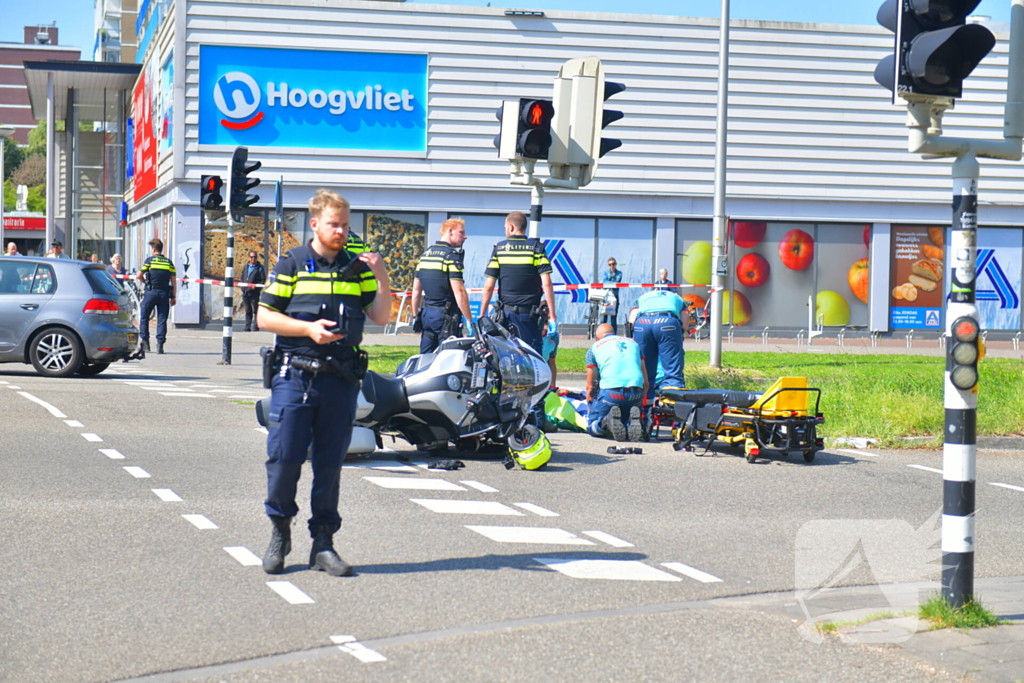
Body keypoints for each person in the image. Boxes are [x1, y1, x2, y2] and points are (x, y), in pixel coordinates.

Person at [257, 189, 391, 578]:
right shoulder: (292, 264)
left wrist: (381, 275)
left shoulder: (358, 266)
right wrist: (308, 329)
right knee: (284, 461)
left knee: (330, 466)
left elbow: (381, 317)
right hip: (295, 377)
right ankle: (280, 533)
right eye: (335, 224)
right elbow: (266, 317)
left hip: (341, 380)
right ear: (314, 224)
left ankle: (324, 544)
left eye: (346, 225)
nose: (342, 232)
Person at [479, 211, 557, 356]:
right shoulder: (536, 248)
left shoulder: (499, 249)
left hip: (504, 316)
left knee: (506, 360)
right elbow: (547, 284)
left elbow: (489, 286)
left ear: (511, 227)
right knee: (532, 359)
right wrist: (552, 316)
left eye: (505, 228)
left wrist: (482, 315)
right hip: (529, 316)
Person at [410, 218, 472, 353]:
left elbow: (416, 291)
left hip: (427, 314)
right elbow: (459, 291)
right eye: (461, 232)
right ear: (450, 231)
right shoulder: (451, 256)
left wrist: (416, 316)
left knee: (425, 358)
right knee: (448, 358)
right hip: (446, 316)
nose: (465, 237)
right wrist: (469, 319)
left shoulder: (425, 255)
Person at [585, 323, 648, 442]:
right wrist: (642, 395)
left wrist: (589, 397)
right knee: (623, 416)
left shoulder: (594, 347)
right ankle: (630, 422)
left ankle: (604, 423)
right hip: (636, 391)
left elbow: (591, 382)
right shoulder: (634, 343)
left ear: (597, 337)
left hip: (611, 393)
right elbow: (645, 376)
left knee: (592, 426)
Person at [632, 289, 690, 404]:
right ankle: (670, 403)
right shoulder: (677, 298)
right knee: (672, 367)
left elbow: (631, 319)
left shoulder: (644, 296)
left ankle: (644, 405)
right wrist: (681, 333)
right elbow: (685, 321)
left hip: (642, 323)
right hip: (667, 321)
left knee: (644, 366)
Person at [135, 238, 177, 354]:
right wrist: (173, 296)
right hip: (164, 293)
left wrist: (145, 282)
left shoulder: (149, 261)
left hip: (151, 292)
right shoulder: (169, 263)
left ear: (153, 249)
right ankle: (160, 346)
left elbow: (138, 276)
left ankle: (146, 344)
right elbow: (173, 281)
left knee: (144, 317)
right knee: (162, 319)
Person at [241, 251, 267, 332]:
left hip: (254, 292)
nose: (253, 259)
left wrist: (255, 287)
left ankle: (256, 327)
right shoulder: (246, 266)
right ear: (249, 258)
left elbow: (263, 280)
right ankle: (247, 327)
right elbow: (242, 277)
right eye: (252, 257)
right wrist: (242, 286)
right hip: (245, 292)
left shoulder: (259, 267)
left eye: (255, 257)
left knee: (255, 309)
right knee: (248, 310)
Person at [600, 257, 623, 334]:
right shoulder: (605, 273)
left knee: (614, 318)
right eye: (610, 264)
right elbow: (604, 281)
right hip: (606, 297)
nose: (611, 266)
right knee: (604, 317)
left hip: (615, 297)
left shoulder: (620, 273)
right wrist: (612, 280)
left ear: (616, 264)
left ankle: (614, 334)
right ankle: (602, 334)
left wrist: (609, 280)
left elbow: (617, 282)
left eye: (613, 264)